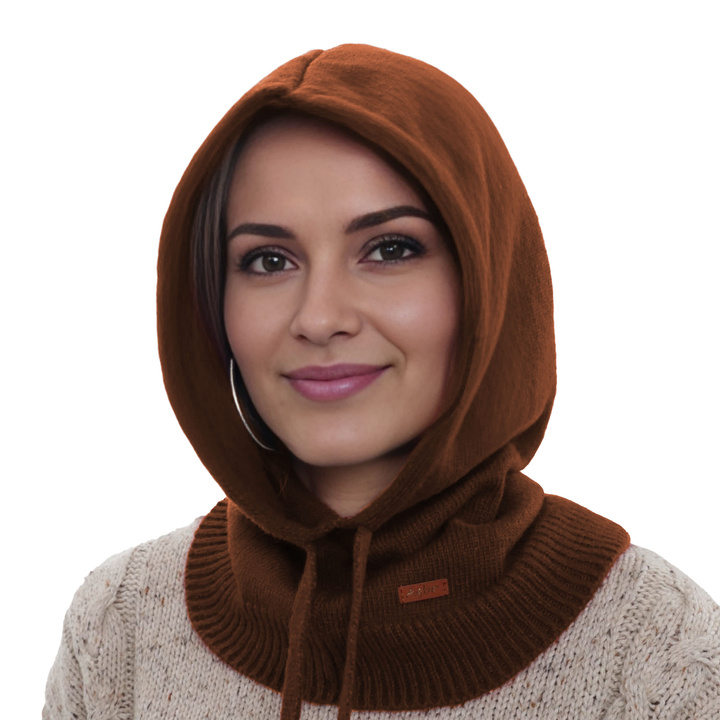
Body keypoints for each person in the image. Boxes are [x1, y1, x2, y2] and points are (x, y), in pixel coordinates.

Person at [43, 44, 720, 720]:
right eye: (269, 260)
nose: (319, 318)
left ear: (488, 282)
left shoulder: (657, 650)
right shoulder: (120, 627)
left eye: (390, 249)